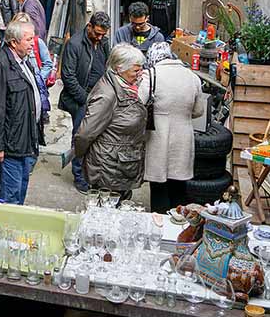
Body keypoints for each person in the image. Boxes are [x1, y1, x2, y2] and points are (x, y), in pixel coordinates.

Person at [139, 42, 208, 213]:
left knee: (159, 186)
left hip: (158, 136)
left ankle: (160, 225)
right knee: (179, 186)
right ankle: (178, 224)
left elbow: (139, 106)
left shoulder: (151, 75)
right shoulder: (192, 77)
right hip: (184, 136)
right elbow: (198, 111)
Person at [73, 43, 147, 201]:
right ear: (120, 69)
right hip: (109, 168)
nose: (140, 73)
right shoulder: (106, 95)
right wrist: (80, 154)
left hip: (120, 165)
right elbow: (85, 133)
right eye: (136, 70)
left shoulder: (124, 85)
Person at [0, 19, 44, 205]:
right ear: (13, 42)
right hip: (10, 146)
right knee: (10, 196)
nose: (32, 44)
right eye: (28, 40)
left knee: (20, 191)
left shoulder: (24, 62)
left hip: (25, 141)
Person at [59, 11, 111, 193]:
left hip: (98, 97)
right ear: (89, 27)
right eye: (97, 33)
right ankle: (79, 176)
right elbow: (68, 76)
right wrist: (85, 99)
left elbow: (107, 66)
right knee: (80, 138)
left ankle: (93, 175)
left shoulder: (103, 42)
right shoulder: (74, 44)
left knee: (97, 138)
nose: (100, 37)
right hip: (81, 98)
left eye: (103, 34)